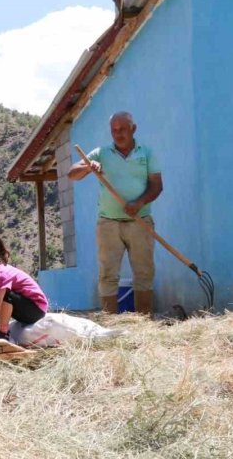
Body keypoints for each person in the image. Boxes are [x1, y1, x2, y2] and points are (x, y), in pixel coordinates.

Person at [68, 111, 163, 315]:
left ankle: (145, 322)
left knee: (144, 272)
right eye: (114, 130)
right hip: (108, 224)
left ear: (133, 129)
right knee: (108, 274)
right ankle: (109, 323)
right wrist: (88, 166)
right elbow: (72, 174)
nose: (118, 134)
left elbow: (157, 186)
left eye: (122, 130)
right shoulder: (101, 152)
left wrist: (139, 203)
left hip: (140, 221)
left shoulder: (146, 153)